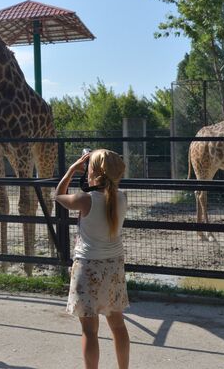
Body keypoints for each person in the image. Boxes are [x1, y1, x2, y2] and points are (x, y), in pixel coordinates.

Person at [55, 149, 130, 369]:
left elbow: (58, 195)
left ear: (94, 173)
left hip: (88, 266)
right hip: (114, 266)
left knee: (89, 330)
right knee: (118, 326)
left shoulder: (84, 200)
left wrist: (70, 170)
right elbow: (105, 193)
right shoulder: (122, 197)